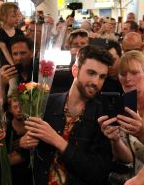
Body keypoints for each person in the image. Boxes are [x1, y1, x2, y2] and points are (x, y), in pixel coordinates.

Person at [22, 45, 114, 185]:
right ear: (75, 70)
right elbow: (31, 151)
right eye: (91, 73)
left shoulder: (103, 117)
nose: (96, 82)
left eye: (102, 77)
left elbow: (97, 173)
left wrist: (57, 140)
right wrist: (24, 143)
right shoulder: (46, 103)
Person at [0, 2, 24, 66]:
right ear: (3, 17)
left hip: (19, 61)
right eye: (13, 16)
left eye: (18, 15)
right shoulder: (0, 32)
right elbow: (5, 51)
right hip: (7, 64)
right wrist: (14, 66)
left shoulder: (19, 32)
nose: (17, 19)